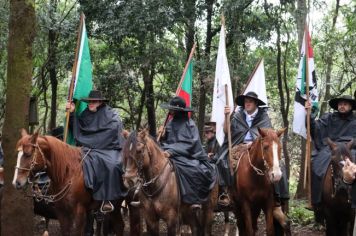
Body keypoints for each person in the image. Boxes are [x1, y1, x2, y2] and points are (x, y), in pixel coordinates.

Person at [214, 91, 289, 214]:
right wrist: (226, 116)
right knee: (221, 160)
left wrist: (253, 144)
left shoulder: (263, 117)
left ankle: (278, 196)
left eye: (250, 101)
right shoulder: (238, 116)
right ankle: (226, 192)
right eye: (245, 101)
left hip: (259, 146)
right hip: (239, 145)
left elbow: (268, 136)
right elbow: (228, 132)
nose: (247, 104)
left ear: (256, 103)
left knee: (278, 165)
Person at [66, 90, 126, 213]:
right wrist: (72, 113)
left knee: (113, 164)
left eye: (93, 101)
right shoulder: (85, 114)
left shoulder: (112, 115)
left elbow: (113, 131)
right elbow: (78, 127)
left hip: (108, 148)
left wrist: (93, 142)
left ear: (100, 102)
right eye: (89, 102)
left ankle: (106, 199)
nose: (90, 104)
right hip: (89, 148)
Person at [159, 96, 216, 210]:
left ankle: (194, 199)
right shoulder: (169, 123)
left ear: (178, 111)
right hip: (168, 152)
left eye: (172, 109)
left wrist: (172, 151)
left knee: (195, 168)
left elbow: (190, 144)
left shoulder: (190, 124)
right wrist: (163, 136)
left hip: (188, 154)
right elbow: (167, 141)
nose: (170, 111)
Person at [305, 95, 356, 210]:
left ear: (351, 106)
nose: (342, 106)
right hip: (331, 148)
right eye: (340, 104)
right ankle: (317, 200)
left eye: (345, 104)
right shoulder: (329, 118)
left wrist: (352, 143)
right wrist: (309, 116)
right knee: (316, 165)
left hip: (351, 148)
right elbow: (316, 129)